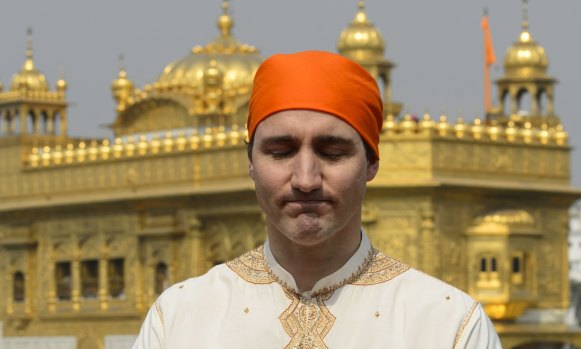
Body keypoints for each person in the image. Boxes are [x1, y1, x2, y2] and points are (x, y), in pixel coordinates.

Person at [132, 50, 502, 349]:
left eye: (332, 153)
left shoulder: (448, 324)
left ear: (371, 163)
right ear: (250, 163)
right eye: (281, 151)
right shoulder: (180, 317)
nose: (305, 180)